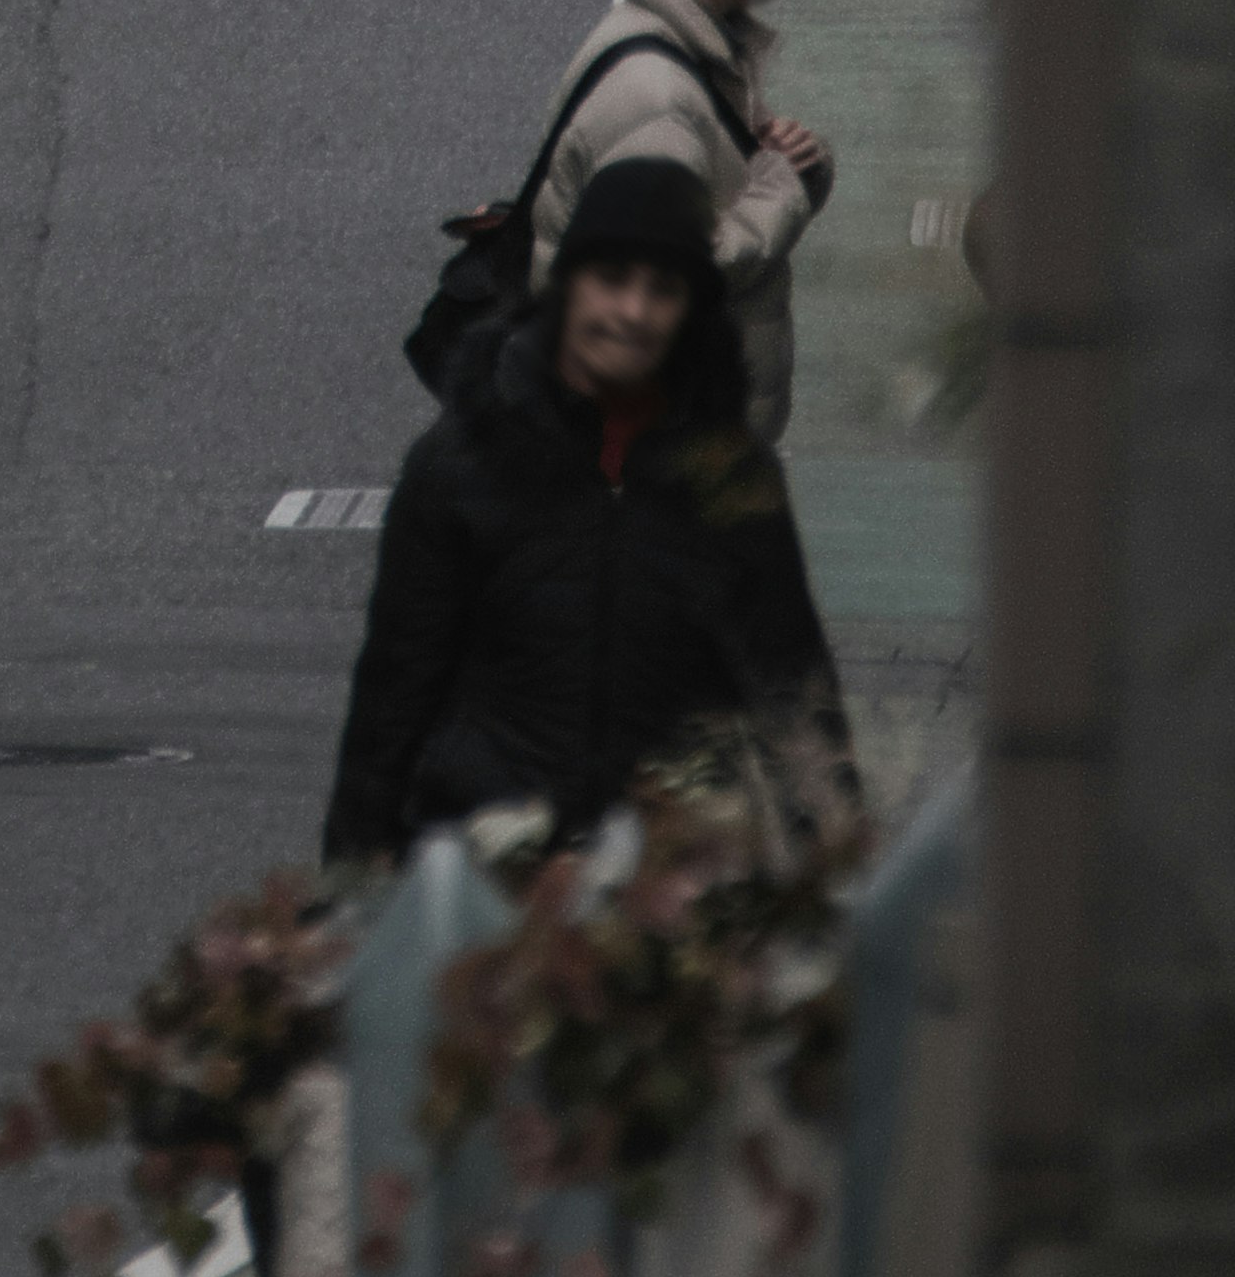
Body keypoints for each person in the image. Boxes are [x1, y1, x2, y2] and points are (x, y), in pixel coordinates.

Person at [323, 160, 846, 869]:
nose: (631, 311)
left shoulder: (728, 478)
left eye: (661, 289)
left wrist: (830, 876)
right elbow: (394, 698)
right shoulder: (459, 464)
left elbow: (795, 690)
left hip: (670, 878)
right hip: (491, 872)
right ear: (566, 285)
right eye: (611, 279)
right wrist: (350, 892)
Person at [528, 0, 832, 439]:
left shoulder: (675, 41)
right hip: (659, 441)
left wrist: (785, 162)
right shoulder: (659, 102)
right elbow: (679, 268)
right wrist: (781, 186)